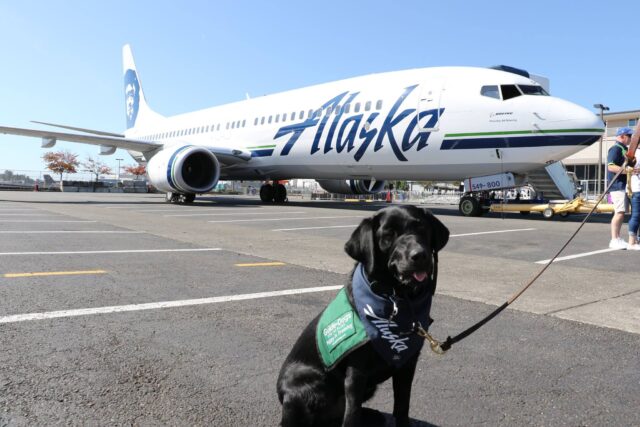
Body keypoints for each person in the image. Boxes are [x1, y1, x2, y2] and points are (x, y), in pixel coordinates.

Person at [607, 127, 633, 249]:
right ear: (622, 136)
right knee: (619, 213)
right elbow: (611, 167)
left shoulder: (623, 149)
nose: (631, 139)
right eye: (629, 136)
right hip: (617, 185)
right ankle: (614, 239)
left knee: (621, 213)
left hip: (622, 185)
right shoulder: (616, 149)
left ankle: (617, 238)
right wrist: (627, 170)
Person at [627, 166, 640, 250]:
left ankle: (637, 241)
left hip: (635, 188)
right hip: (636, 189)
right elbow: (628, 167)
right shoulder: (633, 153)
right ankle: (631, 242)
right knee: (636, 216)